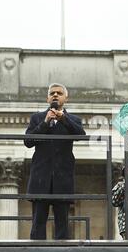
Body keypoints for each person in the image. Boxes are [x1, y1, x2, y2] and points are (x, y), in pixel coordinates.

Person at [24, 82, 85, 240]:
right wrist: (45, 123)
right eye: (52, 93)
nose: (55, 95)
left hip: (62, 179)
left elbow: (81, 135)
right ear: (47, 98)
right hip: (40, 179)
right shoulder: (37, 118)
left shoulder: (73, 119)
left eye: (59, 93)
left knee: (62, 224)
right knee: (38, 224)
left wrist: (63, 118)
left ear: (66, 98)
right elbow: (28, 141)